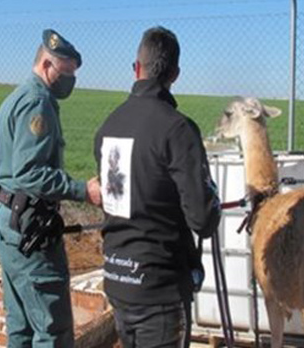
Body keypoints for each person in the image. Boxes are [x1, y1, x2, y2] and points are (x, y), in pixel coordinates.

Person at [94, 26, 221, 348]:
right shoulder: (178, 130)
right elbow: (203, 220)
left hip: (118, 280)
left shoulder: (108, 126)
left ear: (136, 68)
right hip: (160, 290)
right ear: (175, 74)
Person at [0, 29, 101, 347]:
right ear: (47, 65)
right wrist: (84, 191)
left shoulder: (16, 97)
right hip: (29, 229)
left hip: (9, 222)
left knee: (21, 327)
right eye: (67, 72)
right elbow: (30, 172)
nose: (71, 81)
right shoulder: (37, 104)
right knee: (52, 330)